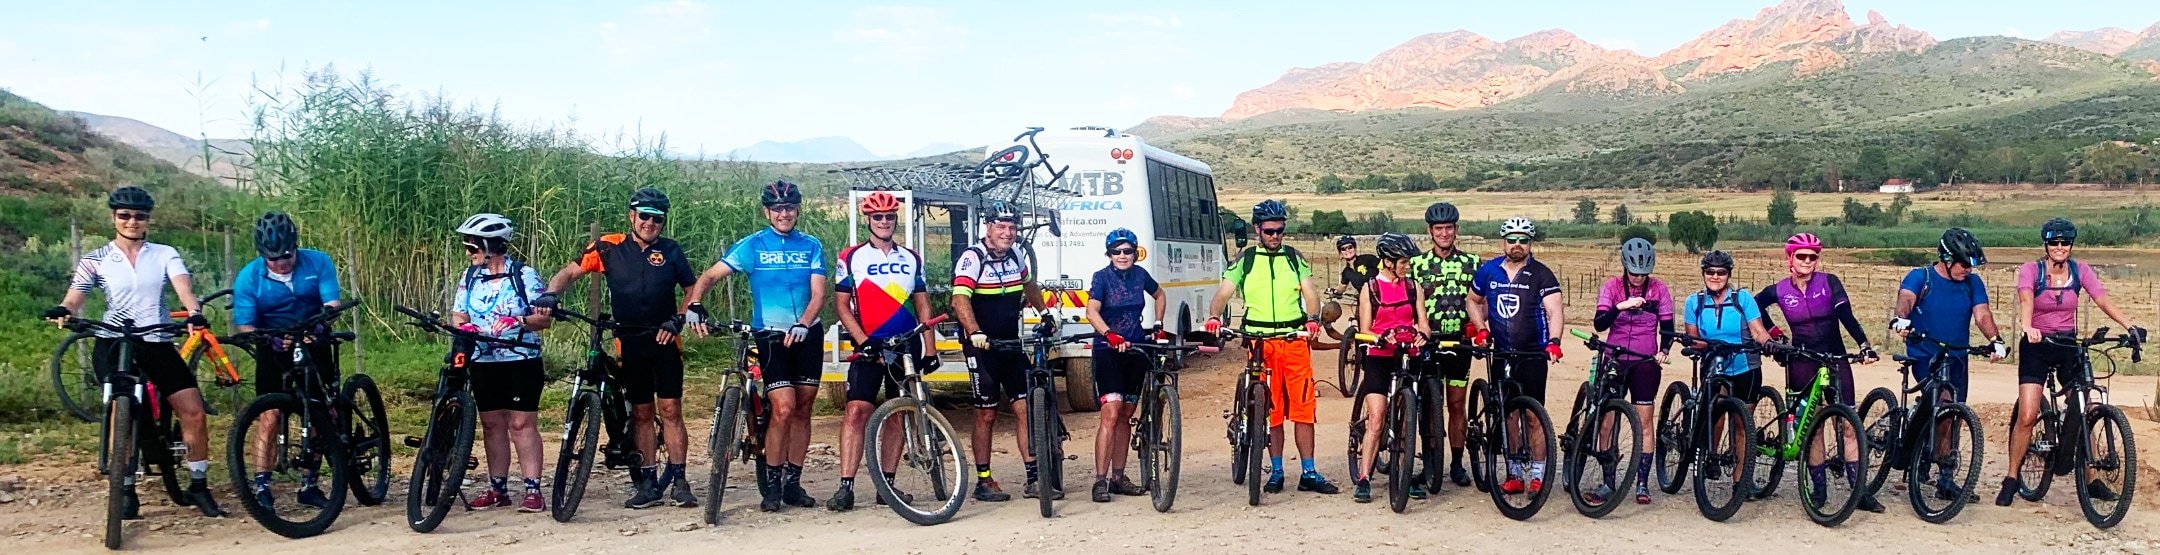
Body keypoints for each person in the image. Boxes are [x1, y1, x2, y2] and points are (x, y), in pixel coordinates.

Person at [44, 186, 225, 518]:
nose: (132, 221)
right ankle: (124, 488)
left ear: (148, 221)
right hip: (112, 340)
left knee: (194, 411)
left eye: (139, 216)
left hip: (154, 338)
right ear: (114, 217)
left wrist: (193, 312)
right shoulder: (96, 259)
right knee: (119, 412)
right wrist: (64, 309)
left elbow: (183, 287)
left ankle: (199, 484)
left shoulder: (164, 253)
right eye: (124, 215)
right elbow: (75, 295)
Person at [540, 187, 701, 510]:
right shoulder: (609, 246)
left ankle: (680, 481)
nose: (650, 223)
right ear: (632, 216)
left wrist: (679, 319)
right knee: (641, 412)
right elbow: (569, 272)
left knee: (670, 410)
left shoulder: (670, 250)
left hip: (665, 338)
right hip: (629, 340)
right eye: (644, 216)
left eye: (657, 218)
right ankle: (649, 482)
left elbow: (692, 289)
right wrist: (550, 295)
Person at [683, 180, 829, 512]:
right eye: (777, 209)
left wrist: (804, 323)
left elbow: (819, 294)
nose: (784, 214)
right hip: (771, 335)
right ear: (767, 212)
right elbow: (708, 276)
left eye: (790, 208)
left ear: (798, 210)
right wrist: (695, 304)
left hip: (807, 334)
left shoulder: (811, 245)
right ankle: (773, 485)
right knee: (783, 408)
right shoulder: (753, 245)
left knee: (804, 409)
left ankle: (794, 482)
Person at [1999, 218, 2144, 506]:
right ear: (2046, 245)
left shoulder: (2080, 270)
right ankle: (2012, 477)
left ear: (2071, 245)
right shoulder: (2032, 270)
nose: (2060, 247)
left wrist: (2131, 327)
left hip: (2067, 344)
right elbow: (2026, 298)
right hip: (2037, 345)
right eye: (2055, 242)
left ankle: (2091, 480)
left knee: (2084, 409)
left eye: (2065, 243)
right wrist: (2028, 326)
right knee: (2027, 415)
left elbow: (2102, 298)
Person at [1206, 200, 1341, 495]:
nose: (1275, 236)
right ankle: (1277, 470)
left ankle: (1309, 472)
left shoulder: (1294, 258)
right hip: (1259, 343)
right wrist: (1215, 316)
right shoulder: (1246, 260)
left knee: (1304, 410)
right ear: (1257, 230)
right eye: (1269, 231)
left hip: (1293, 340)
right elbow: (1223, 293)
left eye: (1280, 230)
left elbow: (1311, 292)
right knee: (1273, 411)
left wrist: (1313, 318)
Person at [1753, 233, 1881, 512]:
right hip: (1801, 359)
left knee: (1849, 424)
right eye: (1802, 256)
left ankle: (1858, 492)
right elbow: (1755, 306)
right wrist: (1774, 335)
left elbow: (1846, 315)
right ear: (1790, 259)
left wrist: (1864, 344)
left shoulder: (1829, 282)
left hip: (1835, 357)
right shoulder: (1780, 290)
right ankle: (1819, 489)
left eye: (1813, 256)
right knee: (1813, 427)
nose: (1808, 261)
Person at [827, 192, 934, 511]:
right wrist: (862, 340)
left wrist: (930, 347)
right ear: (868, 220)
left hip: (905, 343)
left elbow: (922, 302)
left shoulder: (912, 257)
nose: (884, 222)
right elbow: (842, 306)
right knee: (856, 411)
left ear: (895, 219)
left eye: (889, 216)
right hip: (870, 344)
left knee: (898, 412)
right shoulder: (850, 256)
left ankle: (886, 485)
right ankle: (845, 486)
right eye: (878, 217)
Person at [233, 211, 344, 511]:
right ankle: (262, 484)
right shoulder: (248, 276)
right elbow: (245, 323)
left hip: (313, 336)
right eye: (273, 259)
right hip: (273, 341)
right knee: (270, 415)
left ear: (296, 246)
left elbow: (332, 303)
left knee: (319, 411)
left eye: (286, 255)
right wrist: (267, 339)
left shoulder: (318, 261)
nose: (281, 263)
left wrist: (320, 326)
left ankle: (310, 483)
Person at [1890, 227, 2007, 502]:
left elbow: (1982, 314)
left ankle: (1944, 478)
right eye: (1965, 264)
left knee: (1954, 415)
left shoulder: (1972, 283)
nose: (1969, 269)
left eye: (1972, 265)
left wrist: (1996, 340)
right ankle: (1925, 458)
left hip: (1956, 356)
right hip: (1923, 353)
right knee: (1943, 401)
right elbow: (1905, 299)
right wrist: (1901, 319)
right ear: (1946, 258)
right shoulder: (1922, 277)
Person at [449, 214, 552, 513]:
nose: (469, 253)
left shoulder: (524, 275)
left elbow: (543, 318)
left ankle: (532, 488)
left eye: (472, 247)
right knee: (492, 424)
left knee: (521, 423)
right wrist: (463, 327)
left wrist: (517, 320)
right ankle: (498, 488)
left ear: (490, 246)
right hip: (483, 359)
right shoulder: (470, 277)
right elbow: (459, 315)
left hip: (521, 358)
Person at [952, 204, 1049, 502]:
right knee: (987, 414)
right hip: (982, 348)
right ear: (988, 228)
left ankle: (1034, 477)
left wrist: (1044, 312)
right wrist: (975, 332)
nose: (1008, 233)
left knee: (1025, 409)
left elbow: (1028, 285)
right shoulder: (973, 257)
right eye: (1001, 226)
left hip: (1010, 344)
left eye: (1012, 227)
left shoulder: (1016, 254)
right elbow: (959, 300)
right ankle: (984, 479)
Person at [1470, 217, 1564, 496]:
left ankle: (1537, 474)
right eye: (1512, 239)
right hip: (1501, 353)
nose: (1517, 245)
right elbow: (1473, 301)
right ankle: (1513, 473)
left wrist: (1555, 341)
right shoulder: (1488, 271)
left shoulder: (1542, 274)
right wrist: (1480, 329)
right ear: (1504, 242)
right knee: (1508, 415)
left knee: (1534, 416)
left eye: (1523, 240)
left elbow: (1555, 310)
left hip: (1532, 354)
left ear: (1530, 243)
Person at [1084, 228, 1168, 503]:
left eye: (1127, 251)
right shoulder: (1102, 277)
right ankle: (1100, 480)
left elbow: (1160, 295)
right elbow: (1091, 311)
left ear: (1135, 252)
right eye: (1116, 251)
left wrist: (1157, 325)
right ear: (1109, 254)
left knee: (1126, 414)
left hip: (1135, 348)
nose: (1122, 256)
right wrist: (1108, 333)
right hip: (1108, 350)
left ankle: (1118, 477)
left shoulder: (1140, 275)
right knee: (1111, 411)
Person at [1407, 202, 1486, 489]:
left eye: (1449, 228)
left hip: (1460, 344)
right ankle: (1430, 464)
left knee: (1456, 404)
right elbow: (1409, 305)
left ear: (1456, 230)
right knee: (1429, 404)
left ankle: (1456, 463)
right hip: (1427, 343)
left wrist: (1479, 328)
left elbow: (1482, 301)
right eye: (1438, 229)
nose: (1444, 233)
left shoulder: (1474, 263)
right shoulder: (1417, 265)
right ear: (1429, 231)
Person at [1591, 237, 1674, 506]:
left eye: (1643, 273)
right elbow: (1600, 323)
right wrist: (1620, 306)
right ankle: (1608, 482)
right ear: (1625, 267)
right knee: (1608, 420)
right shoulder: (1612, 286)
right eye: (1634, 272)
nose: (1638, 278)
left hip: (1644, 360)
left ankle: (1641, 482)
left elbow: (1668, 325)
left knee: (1644, 421)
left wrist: (1664, 350)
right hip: (1614, 359)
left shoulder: (1659, 290)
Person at [1351, 233, 1429, 503]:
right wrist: (1380, 337)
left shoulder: (1413, 287)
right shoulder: (1370, 288)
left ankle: (1404, 475)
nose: (1407, 266)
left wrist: (1424, 334)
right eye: (1403, 262)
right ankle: (1364, 477)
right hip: (1380, 354)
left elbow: (1423, 321)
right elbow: (1364, 329)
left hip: (1409, 353)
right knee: (1377, 417)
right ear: (1387, 261)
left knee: (1409, 418)